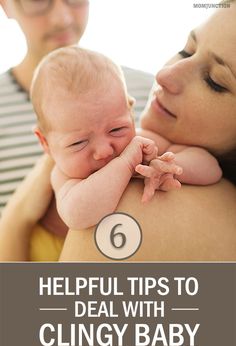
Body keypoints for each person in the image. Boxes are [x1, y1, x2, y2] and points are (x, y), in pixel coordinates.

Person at [1, 1, 236, 261]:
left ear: (129, 108)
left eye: (116, 128)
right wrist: (125, 164)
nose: (104, 150)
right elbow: (79, 214)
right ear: (45, 145)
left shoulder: (144, 138)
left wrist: (172, 165)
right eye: (78, 143)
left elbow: (210, 168)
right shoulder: (64, 174)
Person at [0, 0, 154, 214]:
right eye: (37, 1)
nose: (62, 18)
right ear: (5, 5)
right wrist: (19, 219)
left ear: (129, 107)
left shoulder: (153, 90)